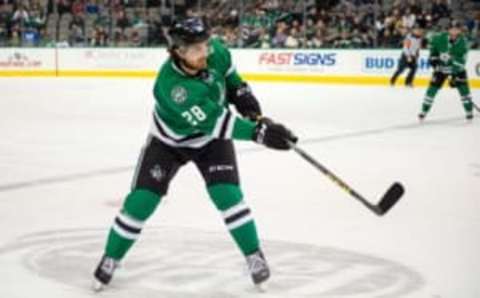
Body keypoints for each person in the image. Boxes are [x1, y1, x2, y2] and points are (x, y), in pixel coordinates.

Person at [92, 17, 298, 291]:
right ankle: (111, 257)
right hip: (169, 143)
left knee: (228, 197)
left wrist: (253, 112)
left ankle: (253, 255)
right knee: (141, 202)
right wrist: (260, 134)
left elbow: (234, 82)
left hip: (210, 142)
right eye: (197, 49)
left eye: (206, 45)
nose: (206, 52)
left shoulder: (216, 52)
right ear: (178, 51)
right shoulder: (172, 87)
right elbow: (216, 121)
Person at [419, 20, 474, 121]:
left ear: (459, 31)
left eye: (456, 29)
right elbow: (432, 50)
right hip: (441, 69)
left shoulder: (464, 42)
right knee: (431, 90)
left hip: (457, 70)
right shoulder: (438, 38)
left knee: (464, 91)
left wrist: (453, 65)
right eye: (451, 29)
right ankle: (424, 111)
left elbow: (462, 61)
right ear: (448, 30)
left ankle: (469, 111)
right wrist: (435, 60)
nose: (453, 32)